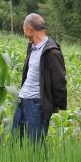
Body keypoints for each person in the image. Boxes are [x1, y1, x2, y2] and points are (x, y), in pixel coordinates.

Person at [12, 13, 67, 143]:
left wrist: (56, 105)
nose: (23, 31)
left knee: (36, 146)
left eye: (24, 28)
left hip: (37, 105)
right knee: (15, 142)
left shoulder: (52, 51)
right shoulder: (32, 48)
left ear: (29, 28)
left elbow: (59, 81)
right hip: (22, 101)